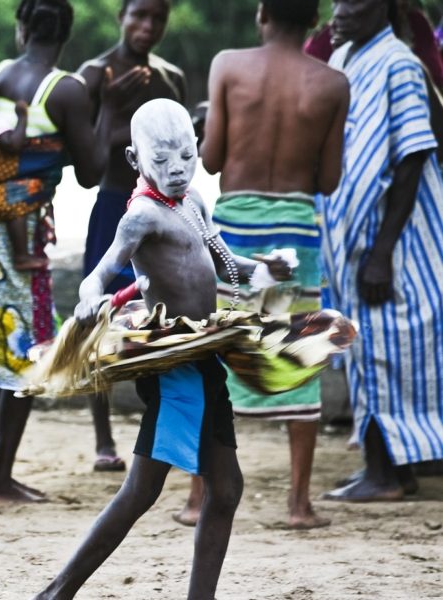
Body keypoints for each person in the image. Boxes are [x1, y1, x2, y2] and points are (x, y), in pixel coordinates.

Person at [34, 99, 292, 600]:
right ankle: (58, 591)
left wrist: (263, 268)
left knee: (226, 489)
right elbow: (97, 276)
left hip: (204, 354)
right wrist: (93, 303)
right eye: (162, 160)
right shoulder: (141, 216)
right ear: (134, 160)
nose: (177, 170)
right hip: (174, 365)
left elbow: (218, 259)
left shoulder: (191, 199)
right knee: (144, 490)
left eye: (187, 156)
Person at [169, 0, 349, 530]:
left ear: (262, 12)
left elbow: (214, 159)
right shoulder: (333, 83)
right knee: (299, 348)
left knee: (216, 347)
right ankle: (298, 504)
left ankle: (198, 498)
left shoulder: (228, 64)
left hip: (234, 228)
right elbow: (330, 180)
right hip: (295, 231)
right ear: (315, 19)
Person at [0, 0, 118, 504]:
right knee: (23, 351)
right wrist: (106, 105)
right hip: (15, 231)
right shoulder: (67, 90)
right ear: (63, 36)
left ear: (21, 30)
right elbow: (91, 171)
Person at [320, 0, 443, 503]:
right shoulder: (343, 59)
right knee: (362, 347)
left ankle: (386, 474)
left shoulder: (400, 64)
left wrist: (382, 251)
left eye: (356, 1)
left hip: (394, 241)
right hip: (351, 241)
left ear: (385, 8)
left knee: (385, 349)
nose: (342, 10)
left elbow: (413, 156)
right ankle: (383, 468)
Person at [76, 0, 186, 473]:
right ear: (121, 14)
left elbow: (181, 149)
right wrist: (110, 104)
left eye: (157, 18)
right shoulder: (94, 72)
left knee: (166, 316)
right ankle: (103, 438)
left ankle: (161, 428)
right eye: (139, 14)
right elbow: (91, 161)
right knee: (97, 317)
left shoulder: (170, 79)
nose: (147, 26)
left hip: (165, 214)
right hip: (113, 207)